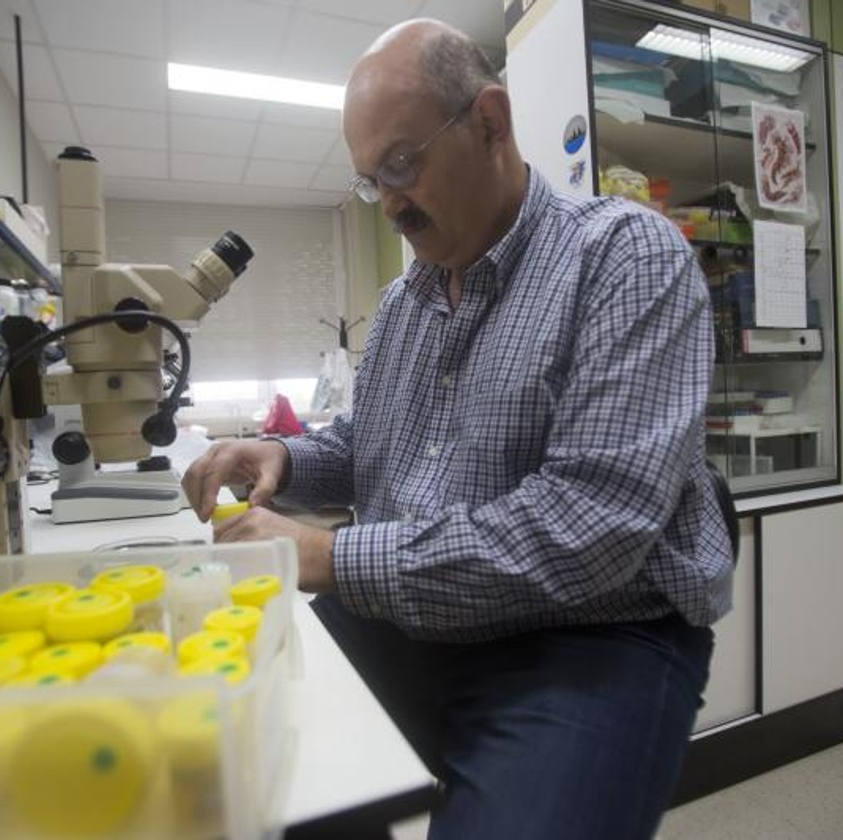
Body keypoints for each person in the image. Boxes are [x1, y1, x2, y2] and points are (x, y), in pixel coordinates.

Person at [182, 18, 734, 840]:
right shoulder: (407, 303)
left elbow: (593, 527)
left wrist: (329, 554)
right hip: (423, 614)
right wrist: (283, 459)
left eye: (402, 165)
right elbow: (371, 446)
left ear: (490, 121)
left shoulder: (625, 256)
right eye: (373, 181)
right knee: (231, 764)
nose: (392, 204)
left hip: (593, 632)